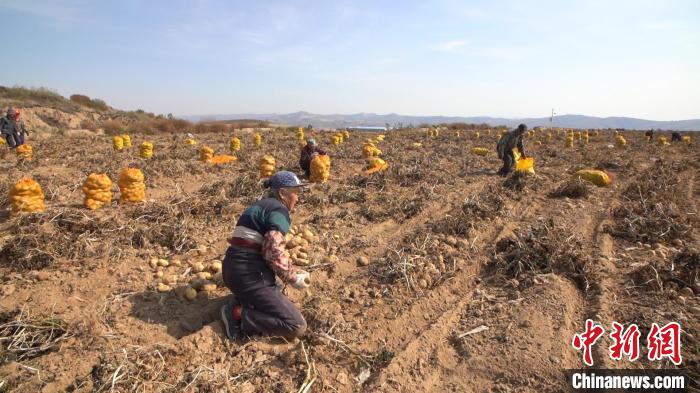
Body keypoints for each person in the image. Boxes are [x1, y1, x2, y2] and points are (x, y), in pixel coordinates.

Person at [220, 171, 310, 341]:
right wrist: (293, 278)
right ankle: (238, 314)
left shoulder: (260, 205)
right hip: (249, 277)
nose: (298, 198)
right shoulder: (279, 209)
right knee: (296, 326)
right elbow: (273, 249)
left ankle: (244, 300)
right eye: (295, 193)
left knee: (274, 292)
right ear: (282, 193)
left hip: (232, 271)